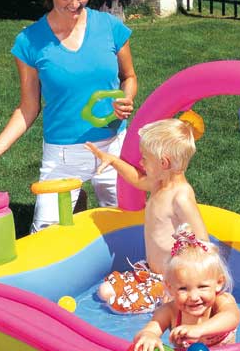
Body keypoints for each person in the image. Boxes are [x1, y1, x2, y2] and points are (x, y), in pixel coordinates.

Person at [0, 0, 137, 232]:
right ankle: (76, 200)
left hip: (113, 146)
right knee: (46, 237)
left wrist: (127, 97)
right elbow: (28, 107)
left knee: (128, 228)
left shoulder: (110, 27)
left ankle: (79, 204)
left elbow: (128, 77)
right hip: (63, 153)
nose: (75, 4)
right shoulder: (30, 42)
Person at [85, 118, 208, 314]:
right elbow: (137, 179)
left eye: (145, 159)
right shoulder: (159, 183)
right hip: (150, 273)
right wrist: (113, 161)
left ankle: (169, 306)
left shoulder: (180, 197)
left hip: (171, 282)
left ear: (163, 163)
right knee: (105, 290)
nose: (141, 163)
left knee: (113, 301)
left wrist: (187, 285)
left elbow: (202, 243)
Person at [132, 224, 240, 351]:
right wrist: (148, 336)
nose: (194, 297)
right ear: (171, 288)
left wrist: (199, 330)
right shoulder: (169, 311)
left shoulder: (222, 301)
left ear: (219, 283)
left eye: (202, 287)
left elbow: (232, 317)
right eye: (183, 289)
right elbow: (148, 330)